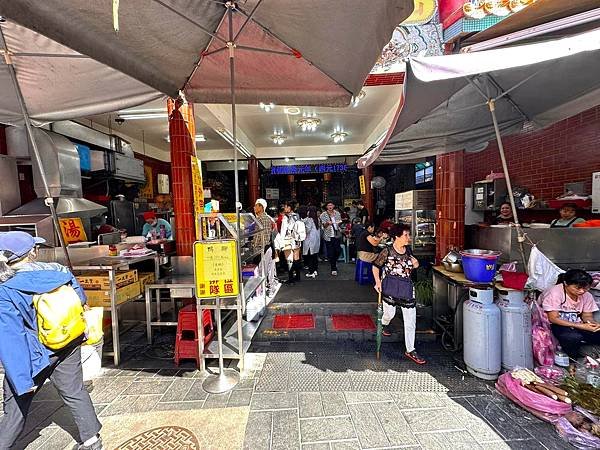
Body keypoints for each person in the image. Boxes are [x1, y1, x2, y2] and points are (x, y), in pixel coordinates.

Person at [0, 232, 103, 450]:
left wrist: (22, 380)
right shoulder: (59, 270)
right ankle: (92, 440)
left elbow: (11, 337)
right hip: (68, 340)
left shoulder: (5, 288)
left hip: (35, 351)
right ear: (32, 253)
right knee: (74, 390)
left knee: (17, 405)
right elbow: (81, 299)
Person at [372, 224, 426, 365]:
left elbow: (415, 264)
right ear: (397, 237)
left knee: (410, 321)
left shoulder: (408, 250)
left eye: (409, 235)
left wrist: (415, 262)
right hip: (390, 286)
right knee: (389, 314)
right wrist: (378, 282)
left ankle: (410, 349)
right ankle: (383, 324)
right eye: (406, 235)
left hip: (406, 287)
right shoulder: (387, 251)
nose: (408, 238)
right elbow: (376, 266)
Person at [541, 269, 600, 363]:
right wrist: (580, 326)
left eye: (585, 288)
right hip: (555, 324)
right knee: (572, 337)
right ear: (566, 283)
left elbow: (587, 316)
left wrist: (593, 324)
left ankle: (593, 356)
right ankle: (572, 362)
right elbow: (553, 318)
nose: (582, 291)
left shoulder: (587, 295)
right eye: (578, 288)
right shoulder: (555, 293)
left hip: (576, 324)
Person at [278, 201, 304, 284]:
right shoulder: (297, 215)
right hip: (297, 240)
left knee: (289, 259)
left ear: (289, 208)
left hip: (288, 240)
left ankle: (291, 279)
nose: (284, 208)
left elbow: (283, 231)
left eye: (285, 207)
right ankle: (298, 276)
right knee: (296, 258)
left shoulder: (286, 217)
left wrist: (280, 242)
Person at [320, 201, 343, 276]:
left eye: (331, 205)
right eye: (328, 205)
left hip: (336, 234)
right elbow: (323, 226)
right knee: (331, 252)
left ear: (333, 206)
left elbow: (339, 222)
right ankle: (333, 268)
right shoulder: (323, 214)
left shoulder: (337, 213)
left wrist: (339, 223)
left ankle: (334, 261)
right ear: (326, 206)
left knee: (338, 250)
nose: (330, 206)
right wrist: (328, 223)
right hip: (328, 236)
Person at [299, 206, 320, 278]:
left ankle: (311, 272)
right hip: (316, 241)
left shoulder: (309, 220)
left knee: (310, 256)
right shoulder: (317, 219)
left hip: (309, 241)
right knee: (314, 256)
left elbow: (307, 230)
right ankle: (315, 270)